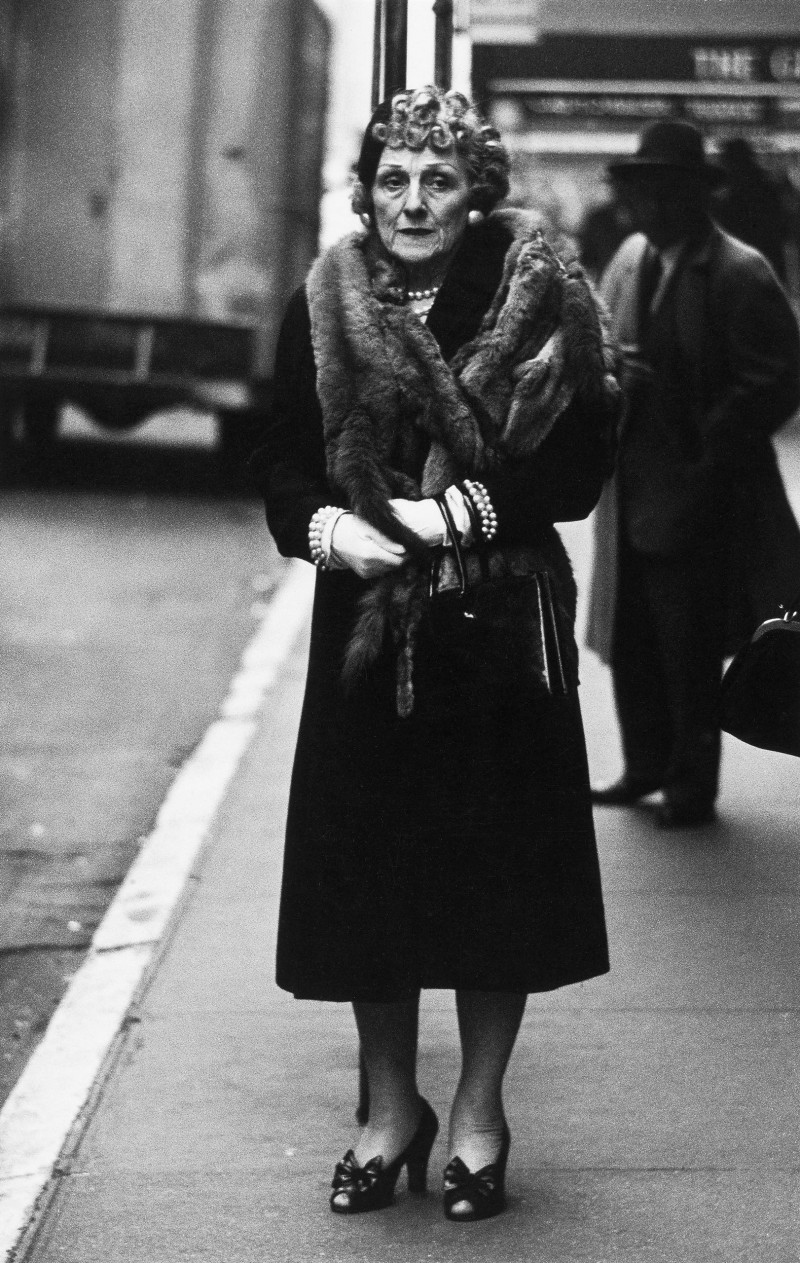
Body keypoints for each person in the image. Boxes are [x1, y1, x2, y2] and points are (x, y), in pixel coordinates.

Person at [250, 86, 619, 1223]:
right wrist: (329, 531)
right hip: (365, 636)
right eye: (392, 177)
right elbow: (278, 462)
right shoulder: (322, 299)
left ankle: (477, 1113)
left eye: (437, 179)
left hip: (496, 629)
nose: (410, 200)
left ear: (476, 196)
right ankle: (385, 1109)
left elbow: (574, 467)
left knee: (494, 879)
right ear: (365, 189)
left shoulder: (545, 301)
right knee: (370, 876)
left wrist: (444, 520)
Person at [586, 119, 800, 828]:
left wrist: (715, 426)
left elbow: (779, 376)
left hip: (704, 490)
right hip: (635, 486)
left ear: (692, 195)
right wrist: (619, 374)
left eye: (663, 191)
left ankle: (689, 782)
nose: (648, 206)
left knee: (689, 647)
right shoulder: (630, 259)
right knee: (634, 640)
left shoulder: (738, 270)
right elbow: (598, 350)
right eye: (642, 192)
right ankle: (645, 763)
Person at [713, 137, 789, 282]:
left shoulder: (729, 195)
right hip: (769, 265)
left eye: (726, 160)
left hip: (743, 267)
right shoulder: (769, 188)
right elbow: (783, 229)